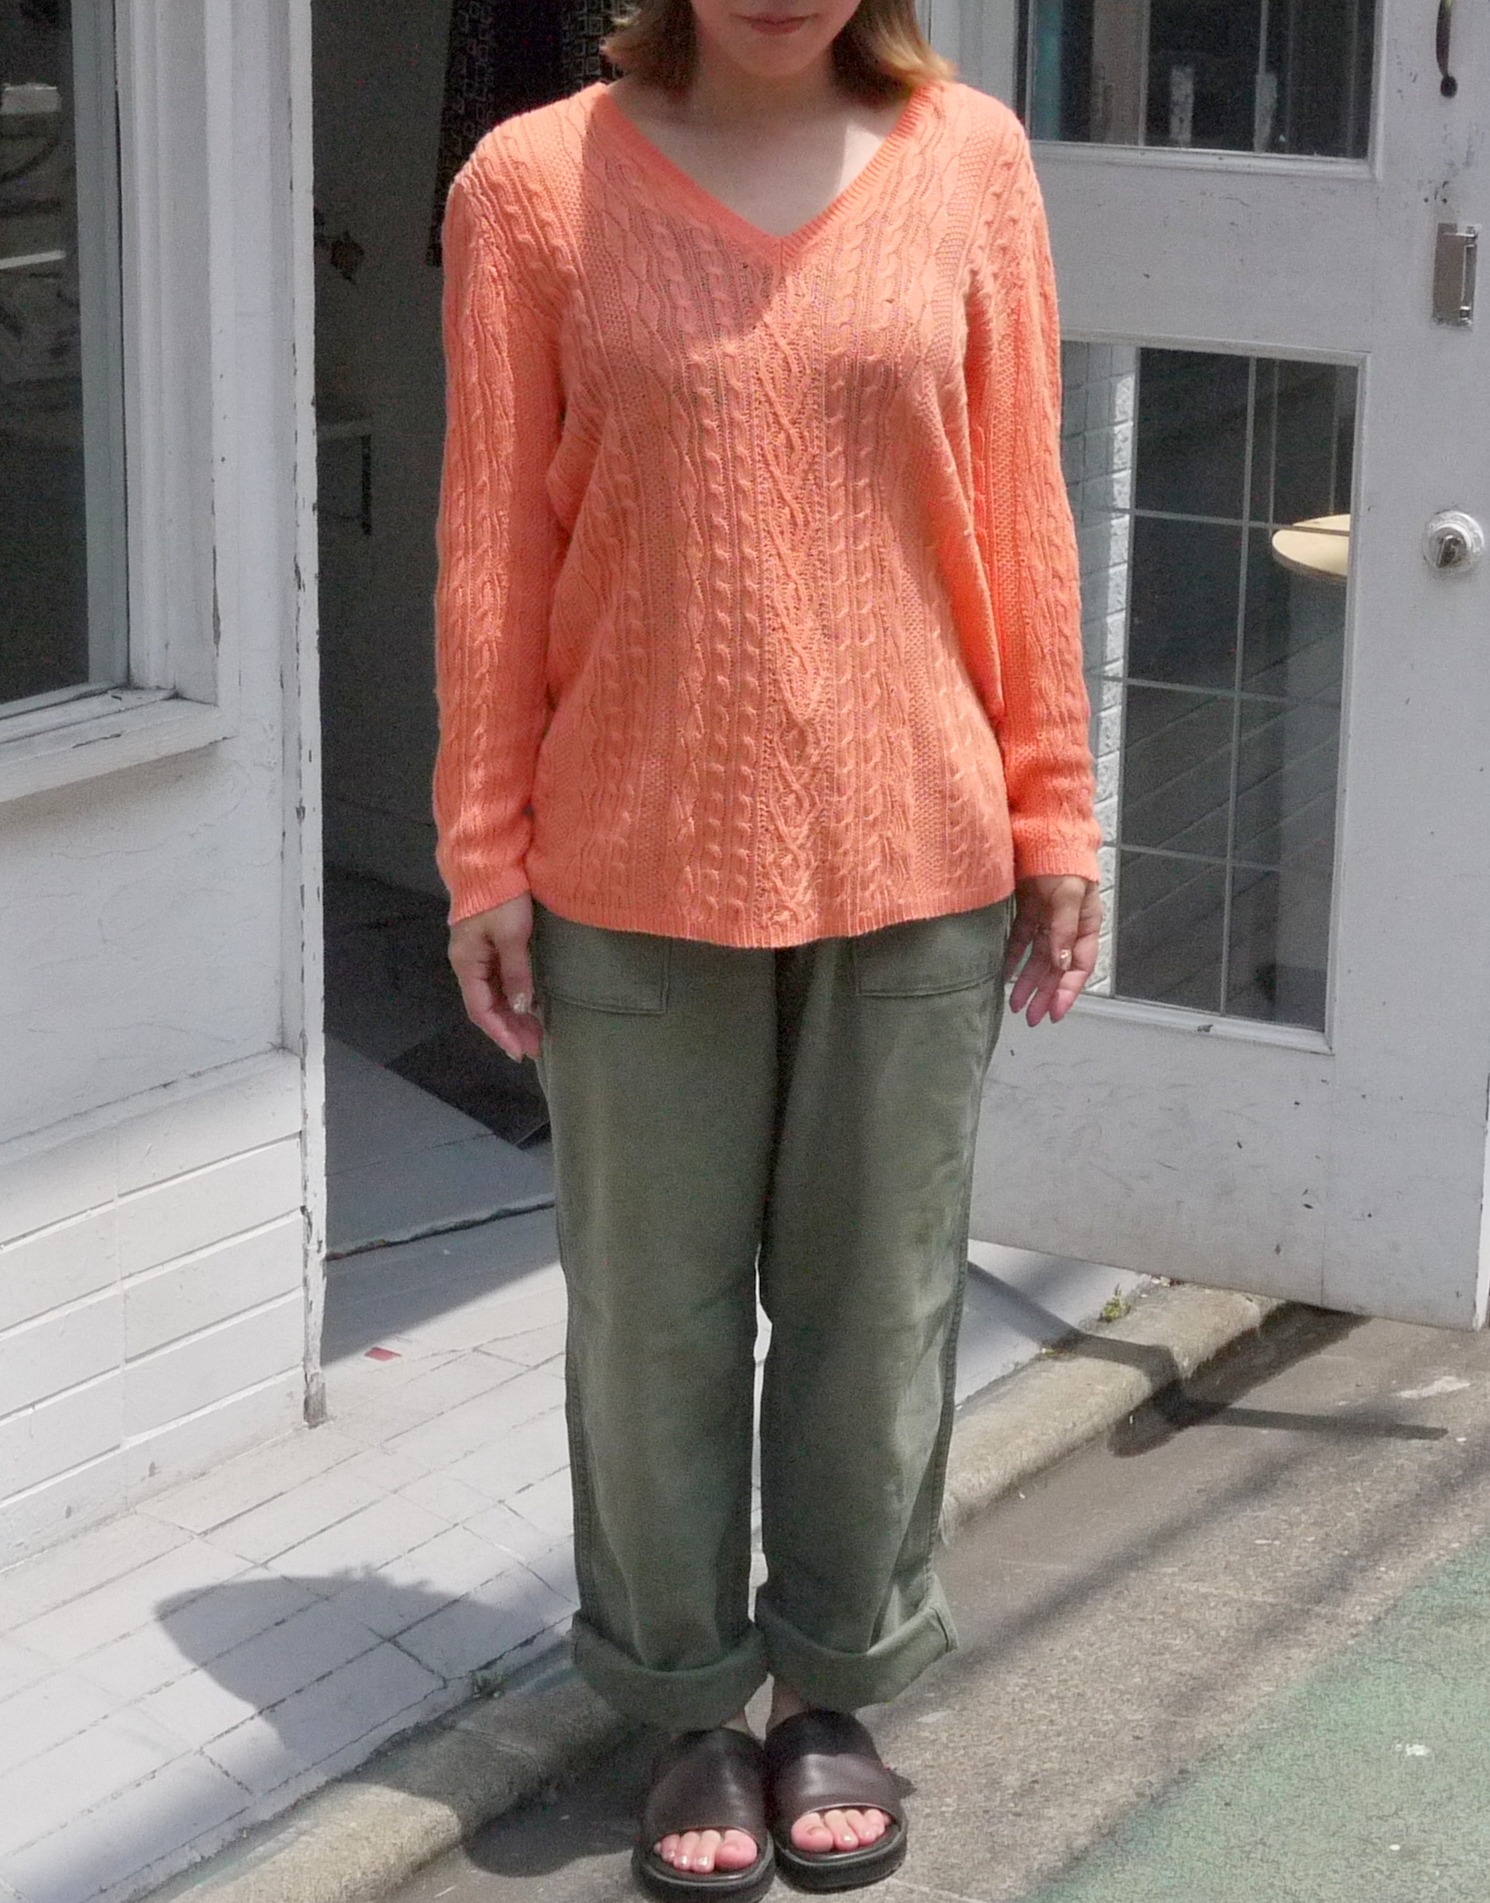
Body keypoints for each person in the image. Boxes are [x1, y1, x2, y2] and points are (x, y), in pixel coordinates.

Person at [431, 1, 1103, 1895]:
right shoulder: (531, 185)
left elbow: (1021, 508)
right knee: (648, 1321)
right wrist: (482, 851)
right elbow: (491, 546)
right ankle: (679, 1707)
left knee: (875, 1309)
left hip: (920, 841)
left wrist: (1055, 811)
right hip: (630, 849)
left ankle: (831, 1685)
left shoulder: (972, 162)